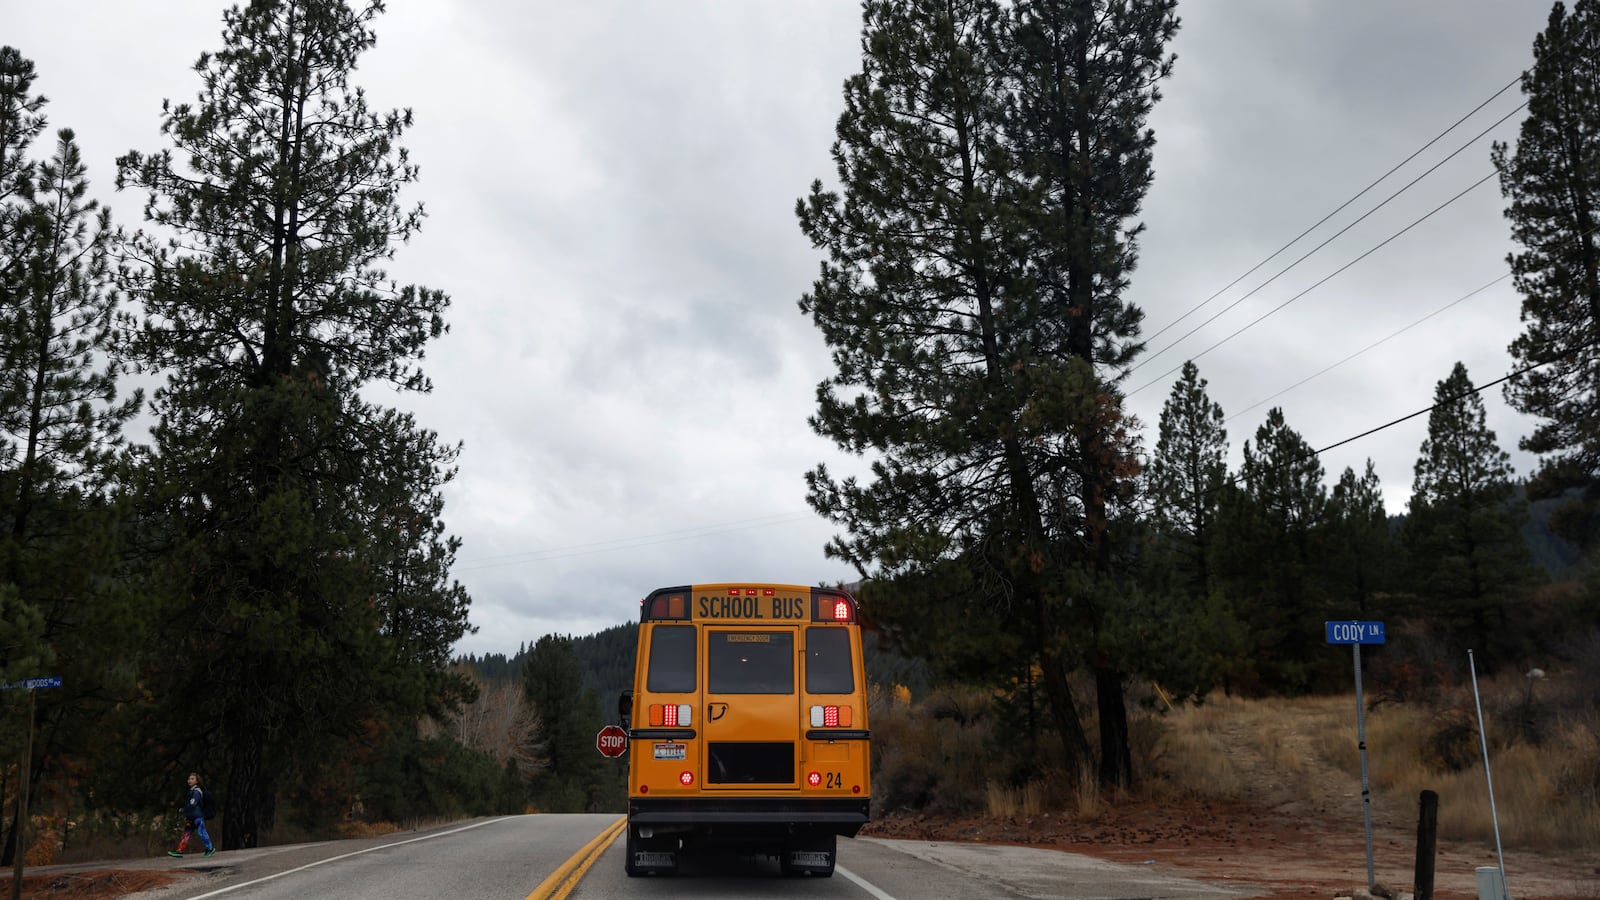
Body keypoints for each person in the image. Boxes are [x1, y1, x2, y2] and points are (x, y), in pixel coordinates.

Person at [167, 772, 216, 858]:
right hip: (191, 817)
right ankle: (180, 850)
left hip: (197, 816)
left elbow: (193, 803)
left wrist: (184, 809)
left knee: (201, 832)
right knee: (186, 833)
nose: (190, 780)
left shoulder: (196, 792)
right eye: (189, 779)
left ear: (197, 781)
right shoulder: (191, 791)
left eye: (192, 779)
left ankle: (210, 848)